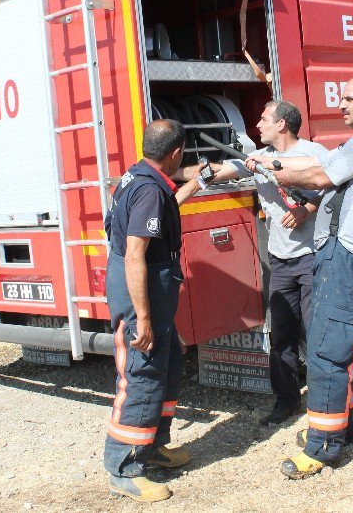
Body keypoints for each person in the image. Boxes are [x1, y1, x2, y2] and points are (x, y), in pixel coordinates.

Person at [261, 75, 353, 480]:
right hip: (350, 259)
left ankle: (322, 447)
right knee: (334, 347)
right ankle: (339, 426)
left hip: (348, 262)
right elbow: (323, 165)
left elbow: (320, 177)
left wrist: (282, 173)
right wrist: (274, 162)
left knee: (326, 353)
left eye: (349, 98)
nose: (341, 104)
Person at [186, 100, 326, 425]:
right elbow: (219, 172)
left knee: (317, 332)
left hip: (312, 259)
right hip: (281, 262)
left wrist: (307, 209)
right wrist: (181, 171)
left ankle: (323, 400)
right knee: (281, 334)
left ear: (282, 125)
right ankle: (287, 400)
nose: (257, 124)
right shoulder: (255, 159)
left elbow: (333, 189)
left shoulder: (314, 152)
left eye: (264, 119)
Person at [102, 119, 209, 502]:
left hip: (152, 292)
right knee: (143, 373)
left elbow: (164, 212)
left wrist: (197, 183)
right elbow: (135, 255)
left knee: (168, 365)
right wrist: (143, 319)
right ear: (177, 152)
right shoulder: (148, 189)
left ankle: (154, 446)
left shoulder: (139, 177)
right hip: (140, 294)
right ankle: (124, 467)